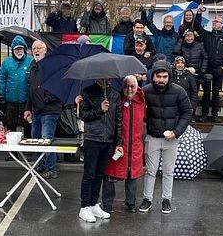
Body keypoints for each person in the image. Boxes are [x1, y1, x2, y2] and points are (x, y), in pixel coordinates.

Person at [139, 60, 193, 214]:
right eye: (158, 76)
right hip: (152, 137)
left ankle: (166, 200)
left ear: (169, 76)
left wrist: (176, 132)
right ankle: (147, 198)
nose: (161, 80)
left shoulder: (179, 91)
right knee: (150, 170)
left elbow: (187, 112)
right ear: (153, 76)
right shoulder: (146, 90)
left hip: (172, 138)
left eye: (164, 76)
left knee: (169, 172)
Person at [78, 79, 123, 223]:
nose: (107, 78)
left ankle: (93, 204)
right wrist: (99, 109)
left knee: (100, 174)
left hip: (108, 140)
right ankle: (84, 207)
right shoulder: (88, 92)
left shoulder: (115, 95)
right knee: (89, 173)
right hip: (92, 138)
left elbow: (118, 119)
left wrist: (119, 142)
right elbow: (83, 115)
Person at [102, 75, 145, 213]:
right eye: (126, 86)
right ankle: (107, 204)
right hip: (118, 144)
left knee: (132, 176)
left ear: (137, 86)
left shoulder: (142, 101)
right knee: (110, 174)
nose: (129, 89)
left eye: (132, 86)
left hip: (135, 145)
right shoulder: (115, 98)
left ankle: (131, 203)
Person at [25, 40, 62, 179]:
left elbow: (56, 88)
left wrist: (43, 102)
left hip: (49, 110)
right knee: (36, 139)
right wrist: (28, 107)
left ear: (45, 50)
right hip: (36, 110)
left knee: (46, 139)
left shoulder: (52, 65)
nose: (36, 50)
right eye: (34, 48)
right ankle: (42, 164)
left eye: (39, 48)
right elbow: (31, 88)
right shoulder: (33, 65)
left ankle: (51, 169)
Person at [196, 5, 223, 123]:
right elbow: (197, 26)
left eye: (218, 21)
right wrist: (199, 13)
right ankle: (204, 114)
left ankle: (214, 114)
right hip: (207, 68)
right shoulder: (207, 35)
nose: (215, 23)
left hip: (219, 69)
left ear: (222, 24)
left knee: (216, 93)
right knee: (206, 92)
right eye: (214, 21)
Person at [0, 36, 34, 136]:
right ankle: (13, 151)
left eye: (21, 48)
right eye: (17, 49)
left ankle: (27, 150)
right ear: (13, 50)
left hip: (25, 101)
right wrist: (1, 96)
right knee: (10, 126)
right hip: (11, 101)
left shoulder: (31, 61)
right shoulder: (6, 62)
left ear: (24, 49)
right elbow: (2, 79)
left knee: (28, 126)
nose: (19, 51)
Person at [173, 29, 207, 121]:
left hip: (197, 74)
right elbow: (176, 51)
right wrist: (181, 38)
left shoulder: (199, 46)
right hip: (185, 73)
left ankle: (191, 114)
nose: (189, 38)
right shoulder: (182, 46)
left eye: (191, 36)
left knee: (193, 94)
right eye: (187, 36)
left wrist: (202, 71)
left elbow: (205, 58)